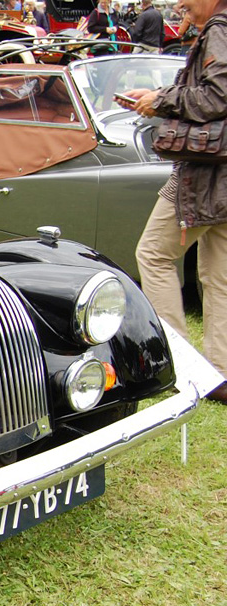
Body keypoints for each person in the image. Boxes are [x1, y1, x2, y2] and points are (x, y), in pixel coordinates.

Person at [122, 0, 227, 404]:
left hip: (205, 172)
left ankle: (179, 362)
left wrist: (160, 100)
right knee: (218, 274)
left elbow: (215, 98)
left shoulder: (219, 28)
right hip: (218, 170)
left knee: (152, 254)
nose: (180, 3)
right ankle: (218, 374)